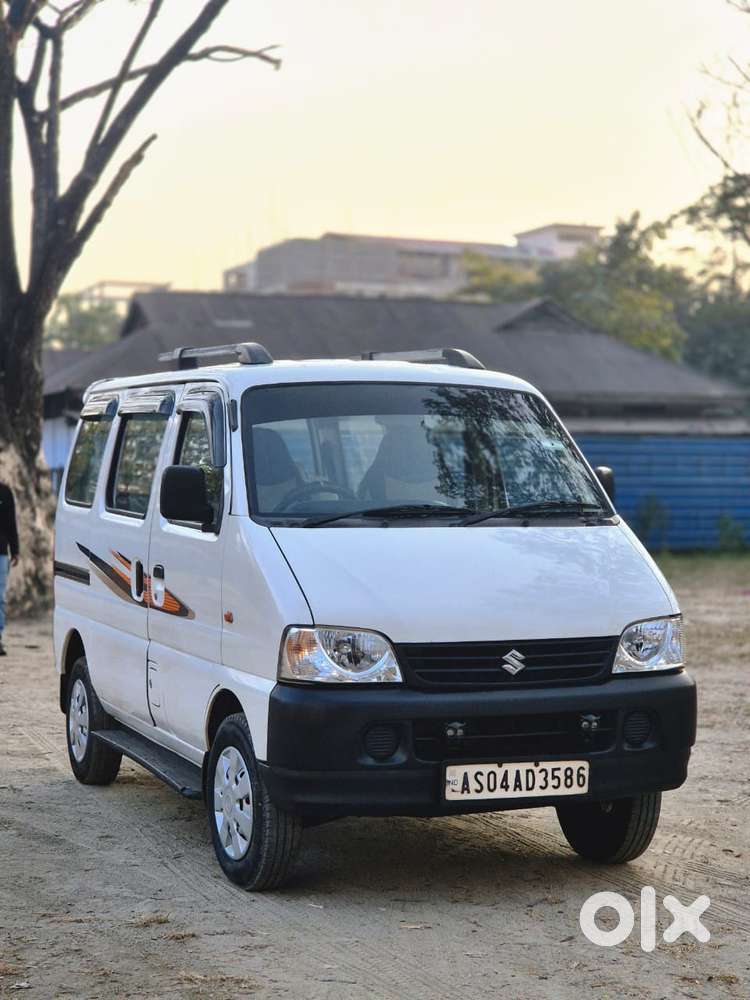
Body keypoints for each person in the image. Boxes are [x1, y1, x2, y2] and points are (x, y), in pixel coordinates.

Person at [0, 480, 19, 656]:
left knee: (0, 597)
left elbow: (11, 523)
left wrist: (15, 550)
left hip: (1, 552)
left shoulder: (5, 492)